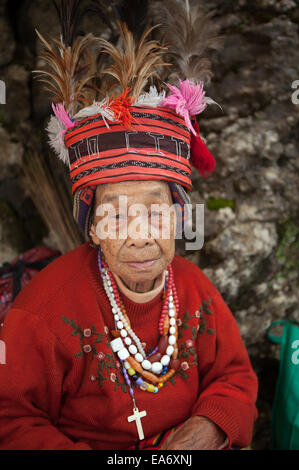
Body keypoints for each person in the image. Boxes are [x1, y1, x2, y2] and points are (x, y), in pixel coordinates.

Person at [0, 1, 258, 450]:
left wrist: (208, 428)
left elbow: (235, 375)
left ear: (178, 217)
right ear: (93, 229)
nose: (138, 233)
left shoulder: (195, 290)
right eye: (116, 214)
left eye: (155, 211)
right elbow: (11, 417)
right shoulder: (42, 312)